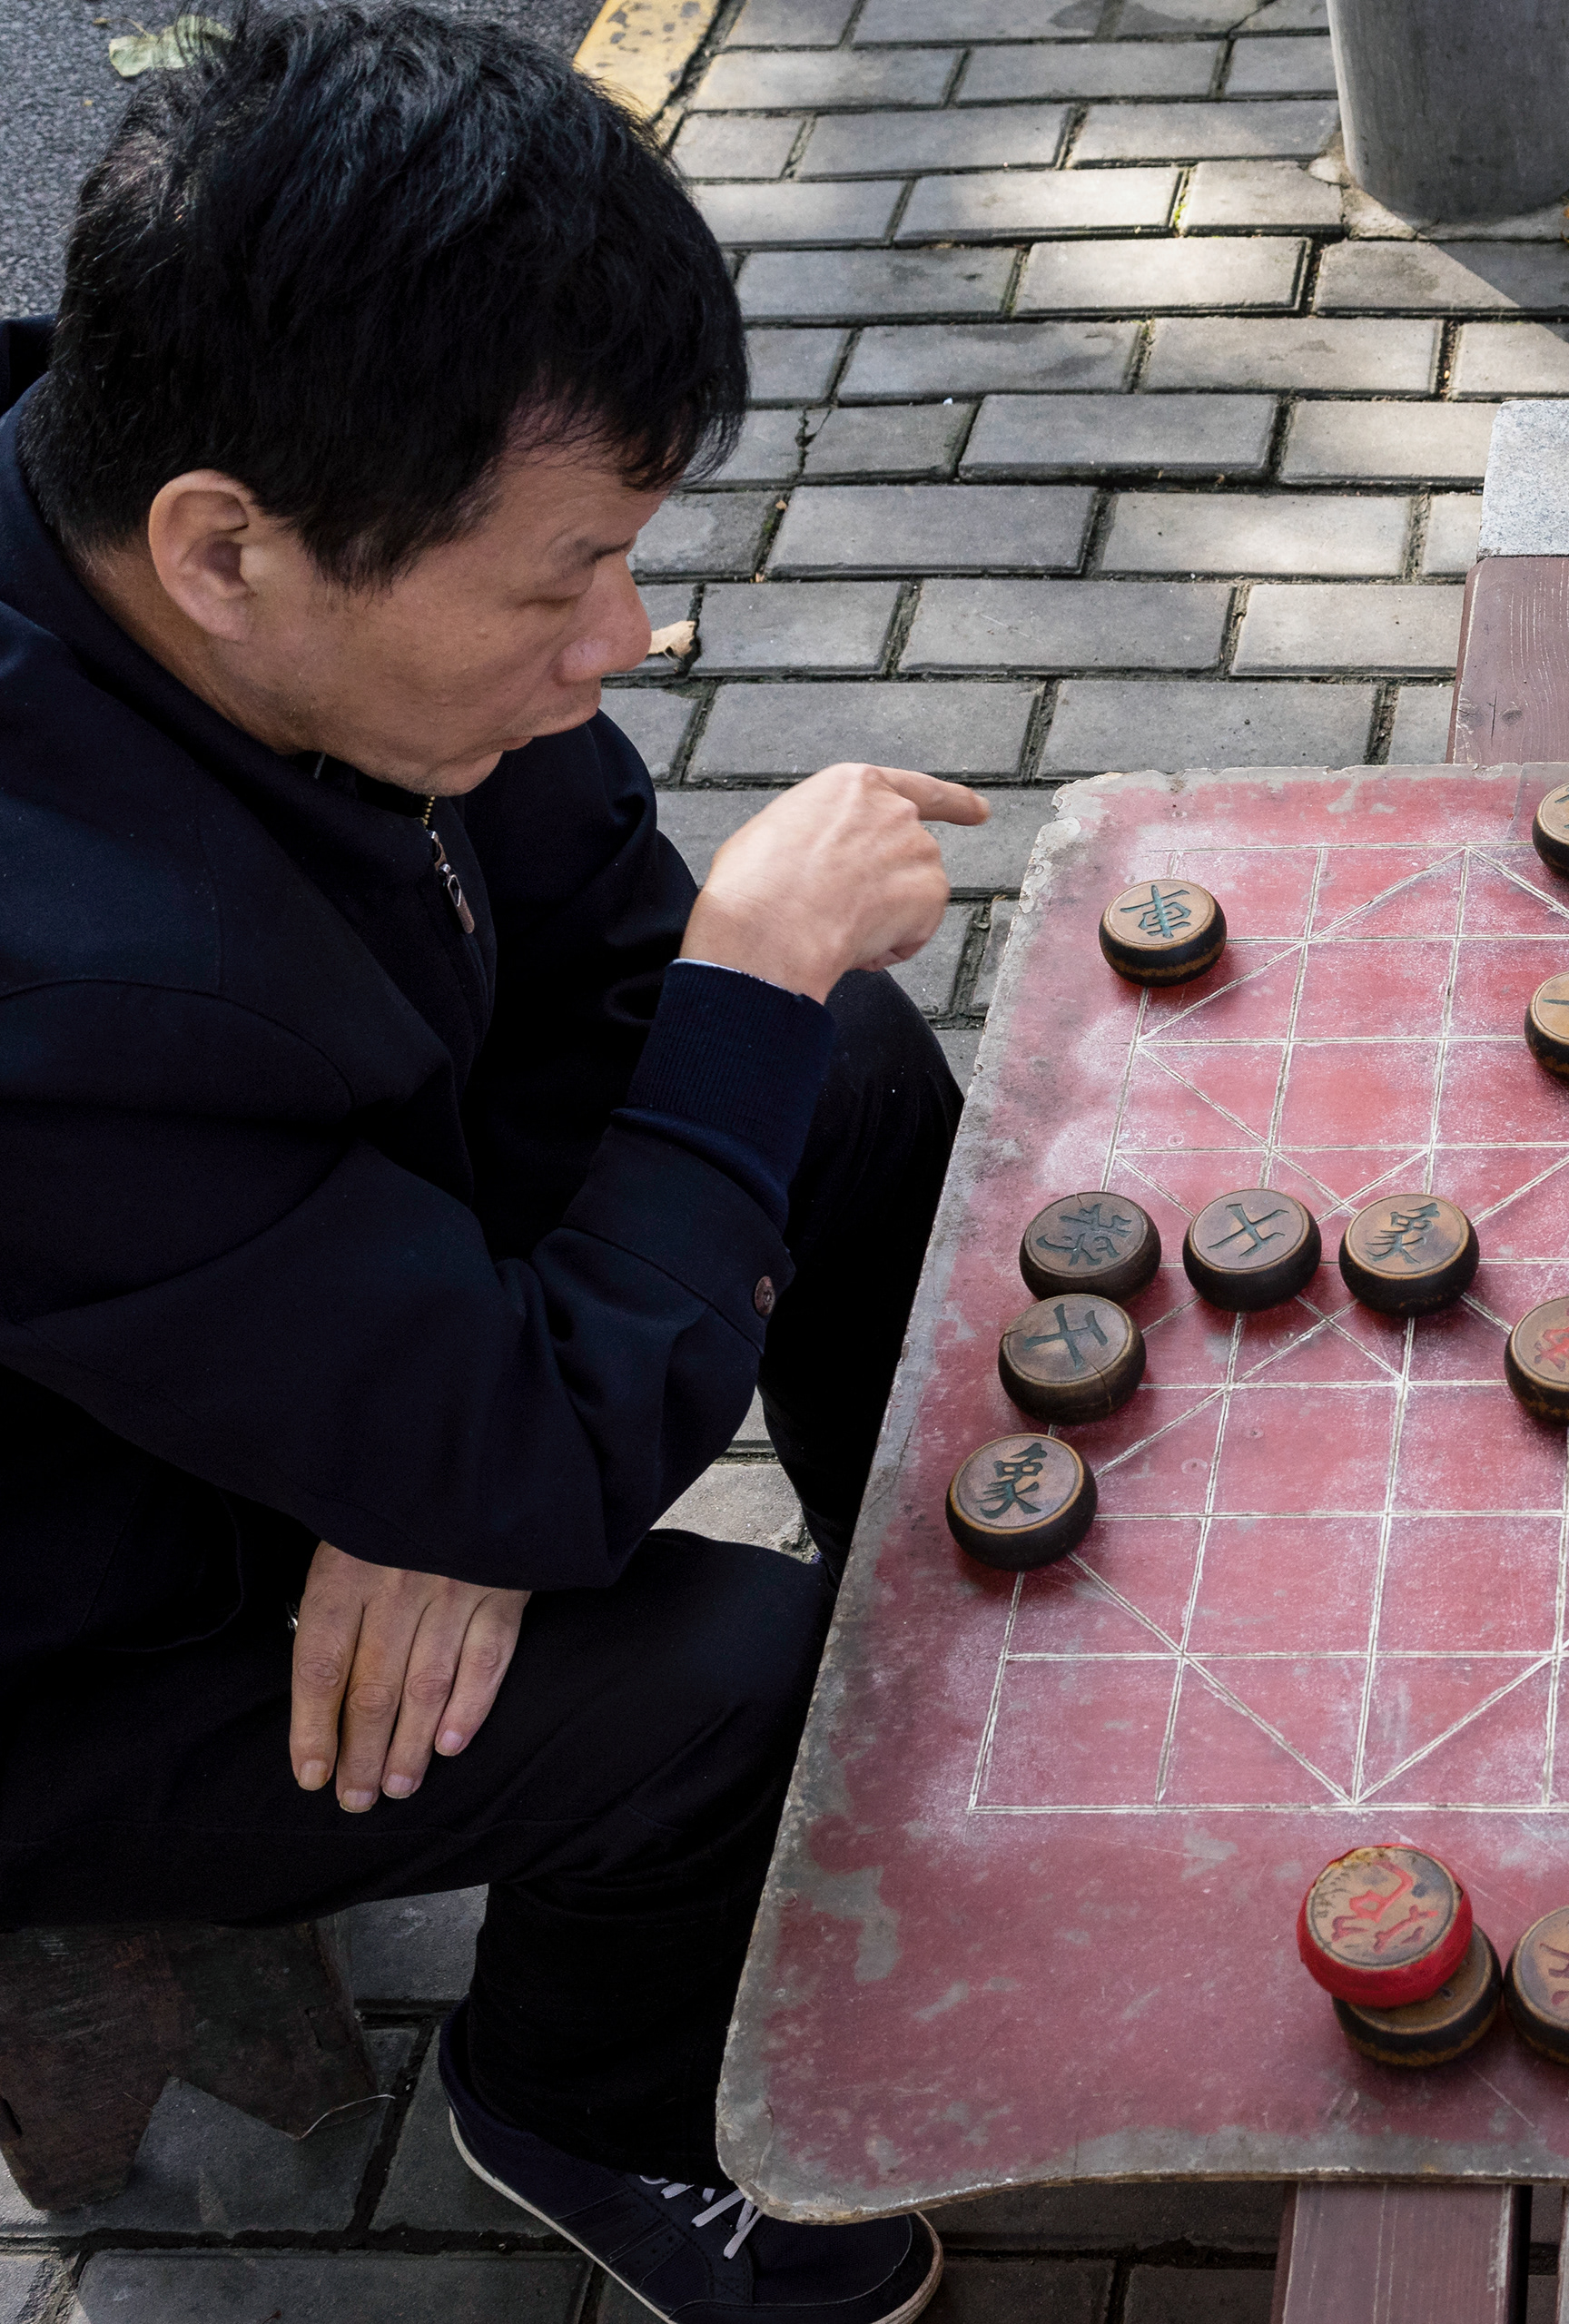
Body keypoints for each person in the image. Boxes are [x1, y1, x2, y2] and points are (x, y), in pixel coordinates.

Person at [0, 13, 979, 2321]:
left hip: (234, 1328)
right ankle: (582, 2104)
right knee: (724, 1670)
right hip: (63, 1635)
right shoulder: (65, 987)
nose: (615, 645)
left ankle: (970, 1630)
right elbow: (667, 1001)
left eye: (623, 560)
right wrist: (487, 1444)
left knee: (830, 1060)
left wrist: (437, 1443)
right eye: (559, 584)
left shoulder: (217, 523)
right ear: (223, 551)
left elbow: (593, 952)